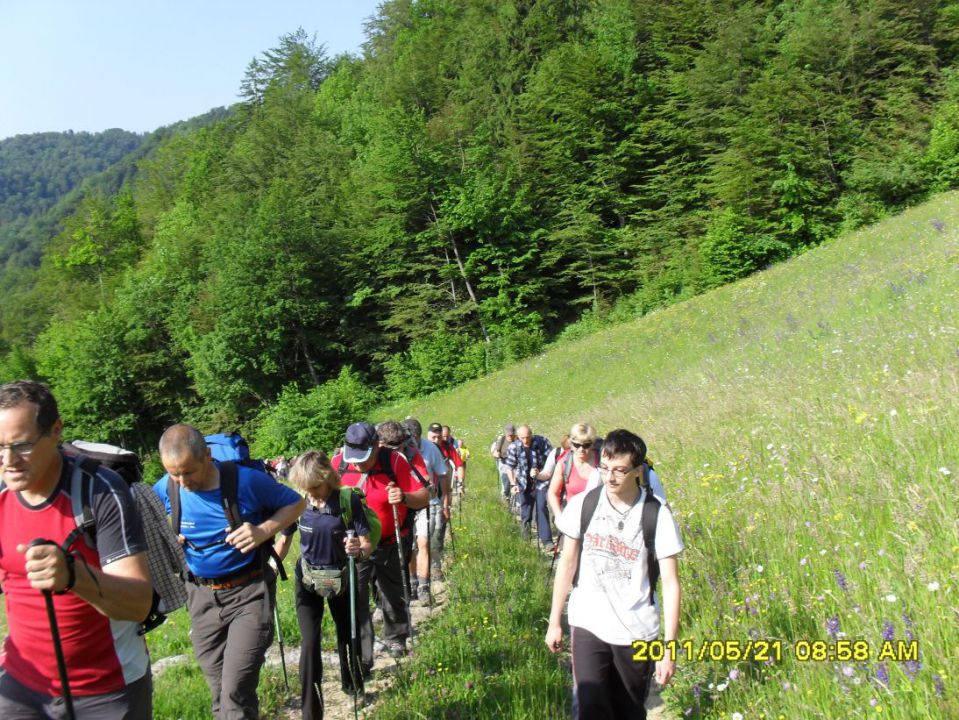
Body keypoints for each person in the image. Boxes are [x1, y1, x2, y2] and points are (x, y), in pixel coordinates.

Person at [0, 380, 154, 719]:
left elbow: (139, 604)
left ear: (55, 431)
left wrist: (73, 574)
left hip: (106, 688)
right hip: (21, 687)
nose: (8, 460)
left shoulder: (100, 491)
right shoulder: (1, 496)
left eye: (21, 445)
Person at [153, 424, 305, 720]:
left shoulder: (246, 482)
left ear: (208, 456)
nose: (182, 482)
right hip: (200, 598)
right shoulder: (167, 487)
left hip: (249, 593)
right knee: (219, 692)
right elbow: (150, 522)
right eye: (174, 473)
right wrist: (167, 538)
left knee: (235, 691)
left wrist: (263, 531)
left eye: (188, 472)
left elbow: (296, 503)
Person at [546, 429, 683, 719]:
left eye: (620, 470)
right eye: (605, 468)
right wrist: (554, 620)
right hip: (588, 623)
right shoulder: (584, 504)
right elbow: (568, 563)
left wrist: (668, 648)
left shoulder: (656, 516)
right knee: (591, 704)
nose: (610, 477)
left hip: (637, 631)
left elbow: (671, 585)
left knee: (629, 711)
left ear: (638, 471)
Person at [277, 451, 372, 718]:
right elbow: (284, 541)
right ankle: (311, 710)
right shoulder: (298, 503)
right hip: (307, 579)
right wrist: (272, 566)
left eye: (316, 487)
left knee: (346, 635)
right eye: (306, 488)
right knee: (309, 642)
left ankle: (353, 685)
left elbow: (366, 544)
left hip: (341, 577)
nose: (313, 494)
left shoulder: (347, 499)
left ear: (327, 478)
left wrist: (358, 549)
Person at [332, 422, 428, 662]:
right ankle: (364, 649)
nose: (358, 463)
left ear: (377, 446)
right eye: (354, 457)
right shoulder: (338, 465)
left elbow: (425, 495)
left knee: (392, 593)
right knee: (355, 594)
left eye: (363, 457)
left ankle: (396, 638)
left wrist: (404, 497)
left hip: (390, 540)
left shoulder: (394, 461)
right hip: (355, 544)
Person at [401, 418, 450, 596]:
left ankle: (424, 584)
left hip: (427, 502)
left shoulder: (430, 449)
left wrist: (445, 501)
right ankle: (412, 580)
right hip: (405, 503)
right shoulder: (398, 450)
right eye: (407, 438)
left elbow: (443, 474)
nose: (410, 442)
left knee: (424, 542)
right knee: (410, 545)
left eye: (413, 438)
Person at [505, 425, 553, 547]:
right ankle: (526, 540)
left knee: (541, 507)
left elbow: (552, 460)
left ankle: (547, 540)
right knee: (526, 510)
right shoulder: (513, 447)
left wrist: (543, 473)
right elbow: (509, 467)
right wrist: (512, 484)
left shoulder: (542, 442)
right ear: (518, 437)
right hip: (523, 483)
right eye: (522, 438)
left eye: (528, 437)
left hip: (542, 481)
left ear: (532, 434)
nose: (526, 441)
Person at [546, 424, 596, 521]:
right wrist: (559, 516)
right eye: (577, 445)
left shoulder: (602, 463)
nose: (581, 449)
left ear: (593, 444)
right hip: (572, 519)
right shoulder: (564, 463)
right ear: (571, 444)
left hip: (598, 520)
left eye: (586, 445)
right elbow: (552, 492)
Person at [427, 423, 464, 499]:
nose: (436, 440)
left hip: (444, 485)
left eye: (439, 437)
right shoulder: (422, 448)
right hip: (428, 487)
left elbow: (459, 465)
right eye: (433, 437)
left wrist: (460, 483)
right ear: (428, 436)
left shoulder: (447, 446)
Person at [490, 423, 517, 499]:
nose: (510, 436)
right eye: (509, 435)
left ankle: (515, 501)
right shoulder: (502, 439)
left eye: (512, 434)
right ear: (506, 433)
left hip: (515, 466)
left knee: (515, 483)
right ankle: (505, 499)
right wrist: (496, 454)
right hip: (504, 464)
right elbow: (496, 451)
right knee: (506, 485)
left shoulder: (517, 440)